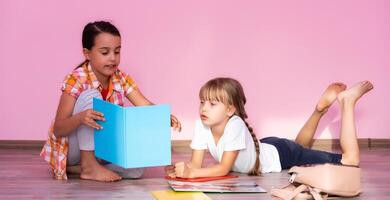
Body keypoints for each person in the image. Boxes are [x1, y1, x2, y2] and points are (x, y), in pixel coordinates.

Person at [40, 21, 181, 182]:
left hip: (102, 149)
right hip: (74, 150)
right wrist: (80, 118)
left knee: (137, 170)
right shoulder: (77, 78)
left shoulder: (120, 78)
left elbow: (146, 106)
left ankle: (79, 169)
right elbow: (58, 129)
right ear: (87, 53)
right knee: (91, 96)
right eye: (105, 52)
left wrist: (162, 116)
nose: (113, 58)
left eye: (117, 51)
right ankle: (87, 166)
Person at [166, 77, 373, 178]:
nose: (204, 108)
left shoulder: (235, 125)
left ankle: (348, 102)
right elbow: (196, 163)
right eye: (202, 101)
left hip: (279, 154)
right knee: (300, 148)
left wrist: (192, 174)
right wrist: (181, 170)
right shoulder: (202, 125)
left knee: (349, 161)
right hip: (267, 147)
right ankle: (319, 111)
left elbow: (223, 168)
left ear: (230, 109)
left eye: (212, 104)